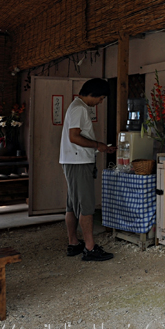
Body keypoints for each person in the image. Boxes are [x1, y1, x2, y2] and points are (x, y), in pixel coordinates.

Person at [59, 78, 117, 261]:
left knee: (72, 204)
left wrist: (100, 147)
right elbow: (74, 137)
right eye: (100, 99)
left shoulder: (77, 107)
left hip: (75, 161)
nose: (100, 102)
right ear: (92, 94)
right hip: (78, 163)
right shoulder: (79, 108)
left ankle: (74, 243)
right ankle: (90, 248)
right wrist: (97, 145)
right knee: (86, 206)